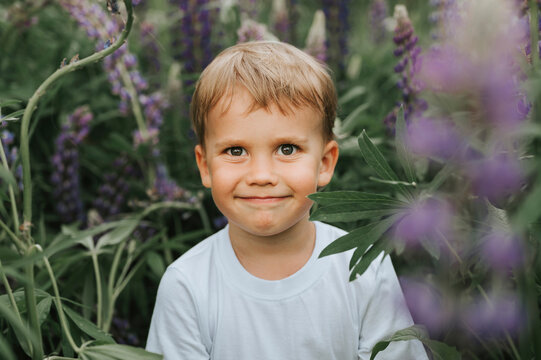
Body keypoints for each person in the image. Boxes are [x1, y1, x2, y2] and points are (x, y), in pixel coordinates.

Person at [146, 41, 428, 359]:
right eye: (235, 151)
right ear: (205, 166)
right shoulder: (186, 285)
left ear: (325, 163)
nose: (262, 175)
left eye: (287, 149)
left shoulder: (364, 267)